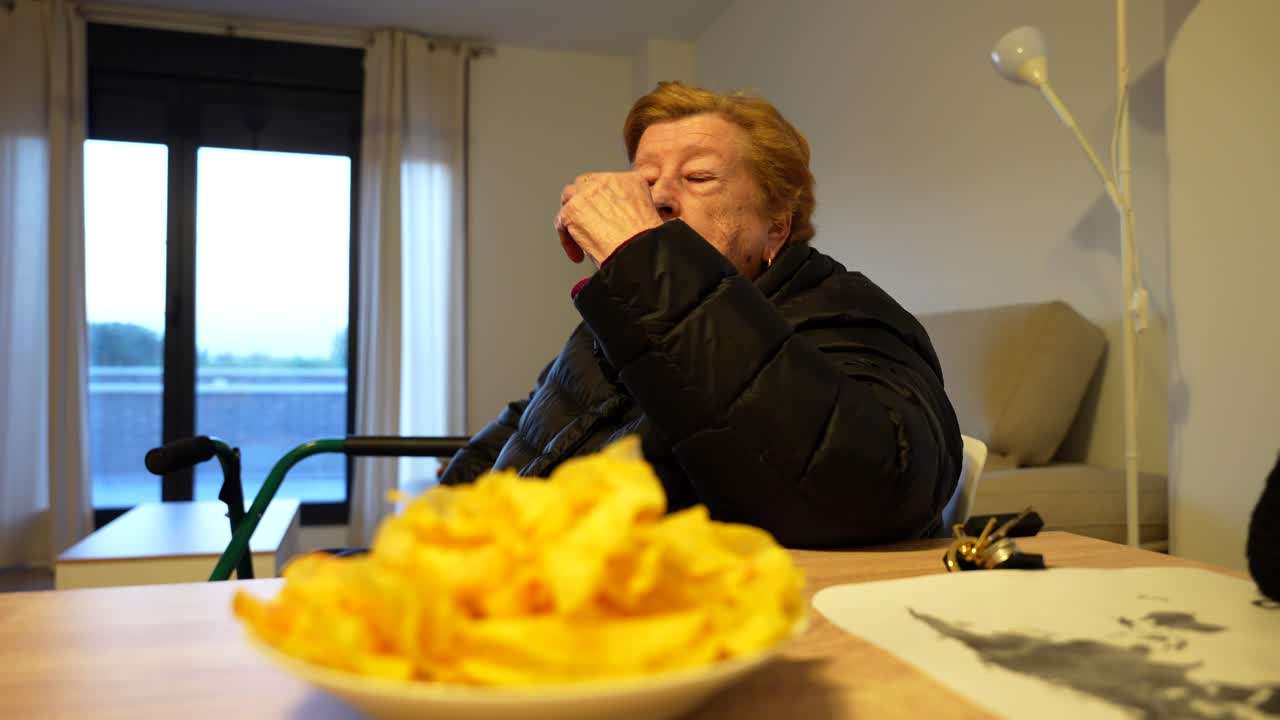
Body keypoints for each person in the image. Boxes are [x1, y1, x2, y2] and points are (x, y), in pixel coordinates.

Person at [440, 81, 962, 548]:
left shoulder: (843, 312)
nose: (660, 197)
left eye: (699, 176)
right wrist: (429, 538)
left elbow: (879, 487)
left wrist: (644, 260)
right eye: (644, 181)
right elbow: (521, 437)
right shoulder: (607, 325)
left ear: (775, 227)